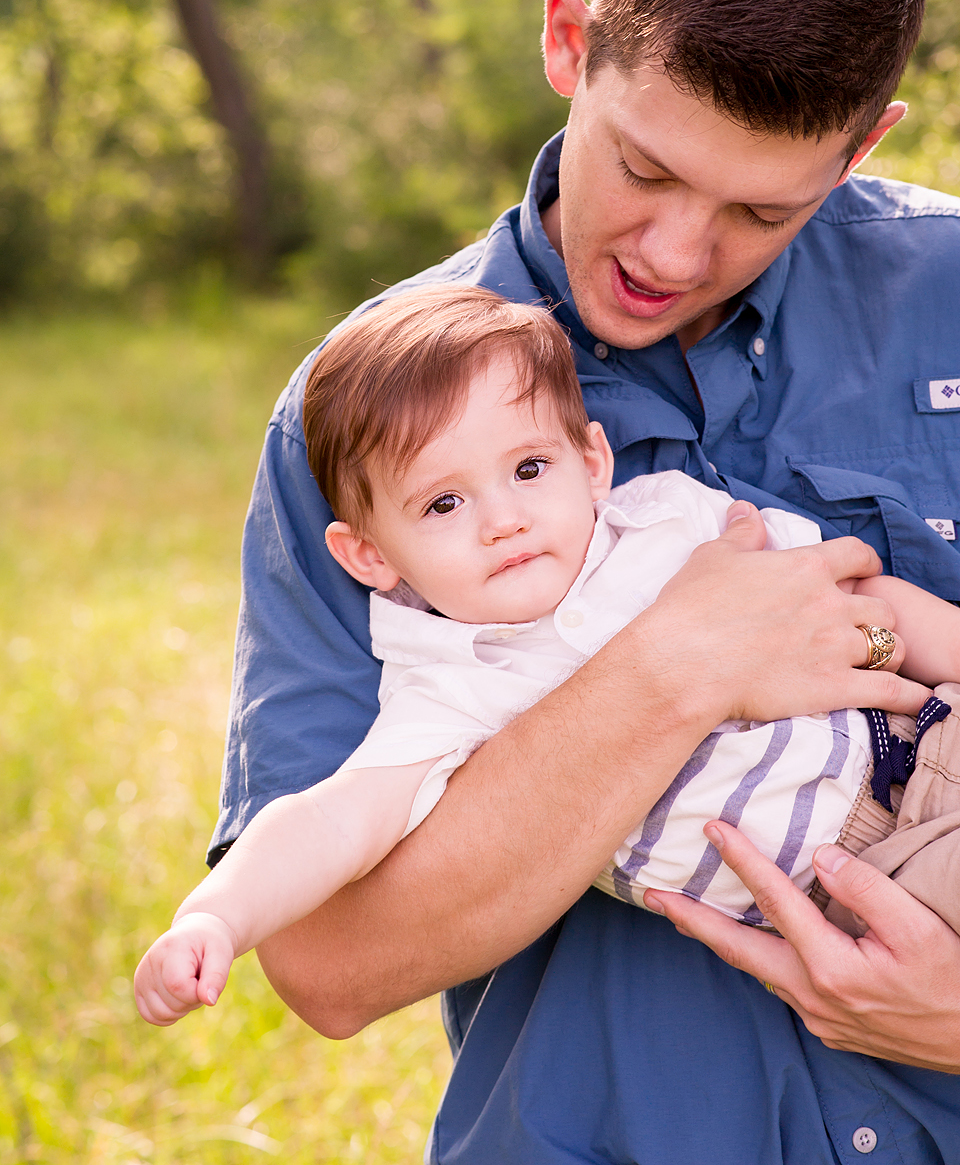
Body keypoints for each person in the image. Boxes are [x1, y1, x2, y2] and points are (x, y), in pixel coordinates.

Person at [212, 0, 960, 1163]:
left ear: (860, 147)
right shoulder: (369, 414)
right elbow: (329, 965)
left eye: (760, 211)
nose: (673, 251)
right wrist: (675, 669)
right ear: (570, 43)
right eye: (646, 167)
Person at [134, 288, 960, 1029]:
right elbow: (330, 820)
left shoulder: (668, 525)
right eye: (444, 502)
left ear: (592, 462)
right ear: (369, 555)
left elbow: (863, 595)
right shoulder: (453, 681)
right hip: (862, 883)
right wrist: (217, 917)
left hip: (928, 744)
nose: (504, 519)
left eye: (529, 468)